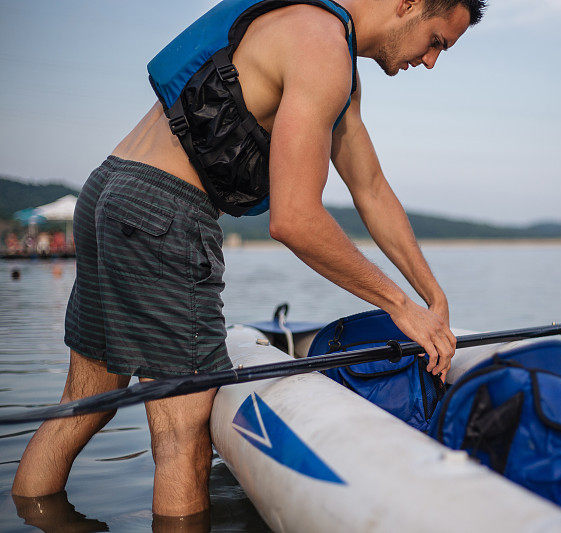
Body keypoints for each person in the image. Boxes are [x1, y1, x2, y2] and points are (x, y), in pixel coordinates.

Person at [13, 0, 485, 519]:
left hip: (110, 187)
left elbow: (370, 189)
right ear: (410, 4)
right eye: (437, 41)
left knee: (85, 399)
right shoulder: (323, 48)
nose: (432, 60)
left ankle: (33, 516)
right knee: (182, 438)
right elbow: (294, 220)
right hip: (163, 212)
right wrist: (400, 305)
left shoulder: (319, 39)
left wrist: (432, 294)